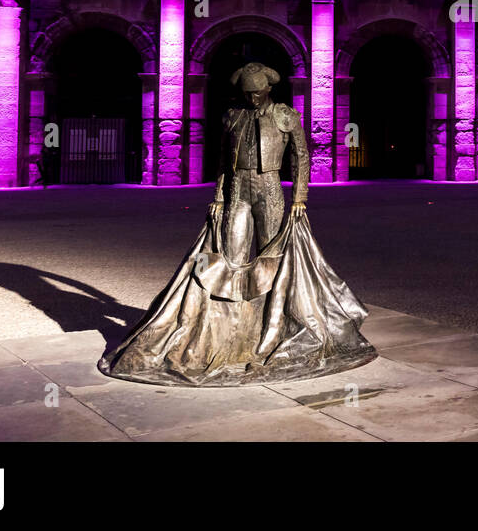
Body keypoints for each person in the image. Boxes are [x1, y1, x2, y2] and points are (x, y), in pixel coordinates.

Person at [98, 62, 377, 386]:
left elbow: (301, 156)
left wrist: (300, 198)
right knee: (230, 254)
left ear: (268, 90)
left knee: (270, 257)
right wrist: (218, 196)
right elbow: (221, 160)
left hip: (269, 186)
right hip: (237, 189)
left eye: (257, 93)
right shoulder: (232, 115)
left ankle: (273, 322)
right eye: (248, 93)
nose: (253, 98)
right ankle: (231, 324)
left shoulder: (285, 114)